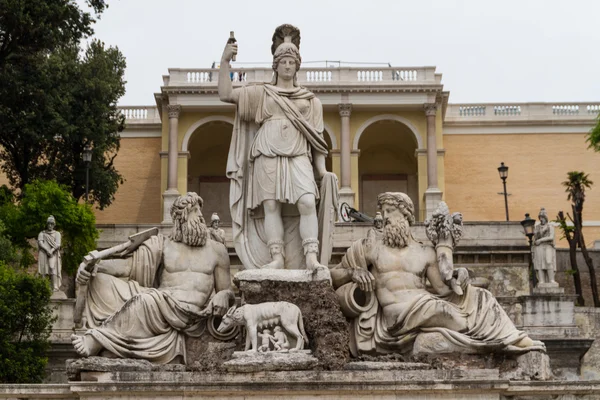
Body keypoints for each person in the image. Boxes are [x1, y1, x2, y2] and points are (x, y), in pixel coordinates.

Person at [331, 192, 545, 355]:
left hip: (426, 306)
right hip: (396, 317)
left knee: (482, 297)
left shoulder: (425, 252)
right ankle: (495, 339)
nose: (384, 217)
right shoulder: (371, 247)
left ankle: (512, 338)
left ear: (405, 215)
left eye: (389, 211)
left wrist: (459, 274)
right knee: (438, 308)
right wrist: (354, 272)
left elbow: (444, 288)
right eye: (383, 211)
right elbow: (333, 276)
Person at [218, 24, 337, 270]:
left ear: (297, 65)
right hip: (266, 152)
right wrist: (225, 60)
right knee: (271, 205)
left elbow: (317, 143)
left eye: (291, 61)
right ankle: (277, 258)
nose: (287, 65)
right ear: (275, 64)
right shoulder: (263, 94)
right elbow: (226, 94)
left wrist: (323, 172)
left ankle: (311, 257)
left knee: (306, 201)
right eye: (282, 61)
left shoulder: (311, 101)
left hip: (298, 153)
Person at [71, 193, 234, 364]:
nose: (201, 216)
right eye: (194, 211)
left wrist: (224, 295)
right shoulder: (163, 245)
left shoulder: (217, 250)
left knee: (145, 300)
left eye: (200, 211)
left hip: (190, 314)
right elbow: (128, 267)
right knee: (101, 281)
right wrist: (94, 267)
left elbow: (228, 292)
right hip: (161, 304)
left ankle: (97, 340)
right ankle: (111, 342)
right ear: (180, 218)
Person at [532, 207, 557, 287]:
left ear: (546, 218)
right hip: (538, 247)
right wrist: (535, 241)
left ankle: (551, 280)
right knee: (539, 263)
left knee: (548, 261)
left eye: (543, 217)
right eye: (540, 217)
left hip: (548, 246)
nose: (541, 219)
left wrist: (541, 240)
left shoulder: (550, 226)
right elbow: (534, 238)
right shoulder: (537, 227)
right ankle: (541, 281)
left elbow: (551, 237)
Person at [37, 216, 62, 292]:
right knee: (43, 269)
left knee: (52, 267)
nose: (50, 225)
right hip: (43, 252)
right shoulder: (42, 233)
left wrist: (51, 251)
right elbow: (40, 243)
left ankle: (55, 286)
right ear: (47, 224)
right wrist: (47, 250)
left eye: (52, 224)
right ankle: (44, 286)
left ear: (54, 225)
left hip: (53, 253)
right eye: (49, 224)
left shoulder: (57, 234)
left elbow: (58, 244)